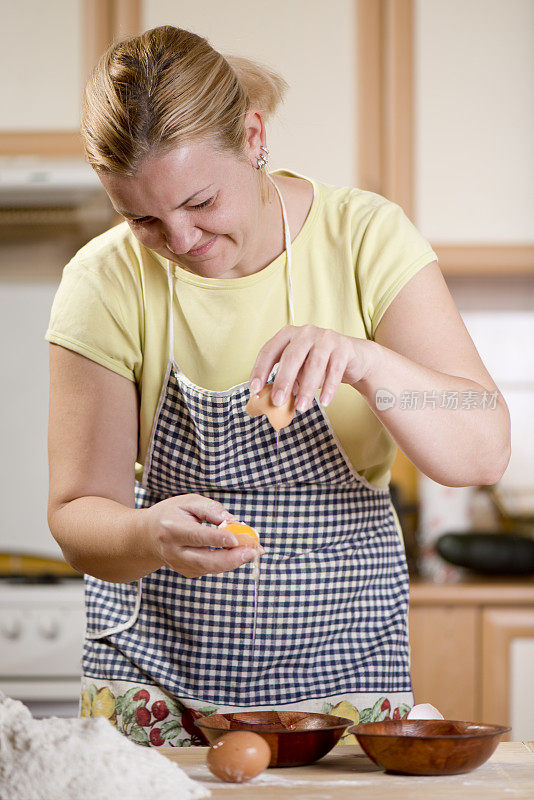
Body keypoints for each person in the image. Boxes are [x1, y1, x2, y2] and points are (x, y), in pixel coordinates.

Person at [46, 25, 510, 746]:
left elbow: (480, 448)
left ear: (254, 136)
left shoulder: (365, 238)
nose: (180, 239)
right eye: (142, 218)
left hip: (343, 680)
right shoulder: (104, 280)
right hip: (156, 684)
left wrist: (365, 361)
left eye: (200, 201)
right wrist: (146, 534)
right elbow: (79, 512)